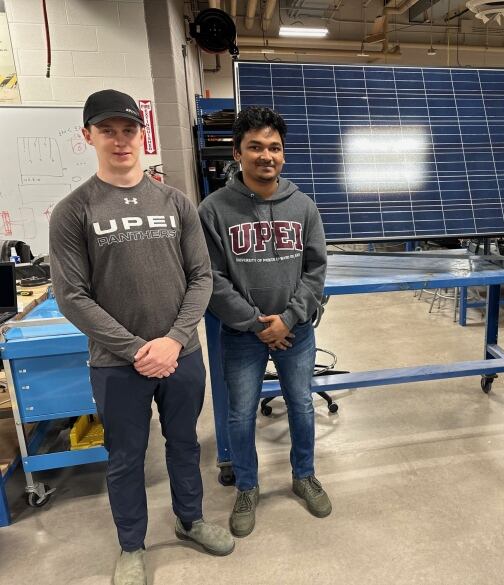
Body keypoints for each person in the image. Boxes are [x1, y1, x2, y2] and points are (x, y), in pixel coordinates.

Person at [50, 89, 234, 585]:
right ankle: (132, 545)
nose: (120, 140)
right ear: (87, 136)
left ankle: (191, 520)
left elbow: (202, 277)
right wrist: (136, 350)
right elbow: (72, 296)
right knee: (126, 456)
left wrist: (174, 340)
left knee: (185, 444)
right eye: (107, 130)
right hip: (115, 364)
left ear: (141, 134)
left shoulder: (176, 202)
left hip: (183, 356)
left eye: (128, 129)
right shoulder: (73, 211)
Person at [199, 107, 330, 538]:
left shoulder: (304, 205)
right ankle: (247, 486)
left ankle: (304, 475)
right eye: (255, 146)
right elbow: (212, 278)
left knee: (302, 405)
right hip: (242, 335)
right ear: (237, 152)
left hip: (297, 330)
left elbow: (316, 270)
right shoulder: (214, 210)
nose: (265, 155)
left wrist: (288, 318)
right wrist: (257, 324)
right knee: (239, 415)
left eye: (274, 147)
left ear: (283, 155)